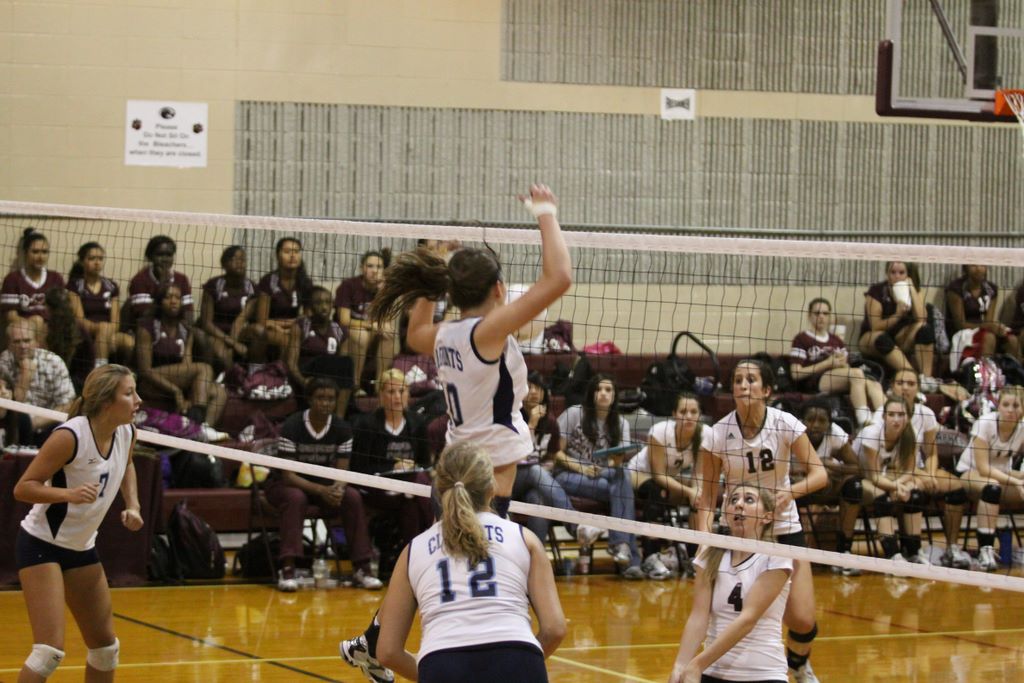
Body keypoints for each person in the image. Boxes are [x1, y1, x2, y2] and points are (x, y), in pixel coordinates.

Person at [342, 184, 570, 682]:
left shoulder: (444, 335)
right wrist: (546, 213)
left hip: (458, 464)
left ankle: (374, 639)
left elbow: (413, 333)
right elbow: (559, 278)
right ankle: (481, 646)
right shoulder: (486, 331)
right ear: (497, 291)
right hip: (490, 467)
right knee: (478, 564)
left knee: (446, 554)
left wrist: (434, 272)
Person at [375, 440, 566, 683]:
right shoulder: (525, 539)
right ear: (492, 488)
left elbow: (388, 652)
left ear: (439, 489)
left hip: (443, 663)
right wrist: (524, 660)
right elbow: (555, 629)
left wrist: (433, 674)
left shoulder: (413, 551)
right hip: (518, 658)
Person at [695, 359, 826, 683]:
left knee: (802, 620)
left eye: (751, 379)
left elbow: (819, 474)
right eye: (738, 380)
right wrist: (704, 540)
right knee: (732, 611)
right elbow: (707, 498)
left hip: (782, 528)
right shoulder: (717, 434)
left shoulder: (784, 423)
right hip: (740, 532)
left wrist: (790, 492)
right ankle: (724, 669)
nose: (743, 385)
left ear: (766, 390)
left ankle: (798, 664)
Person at [12, 364, 143, 683]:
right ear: (106, 402)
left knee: (106, 649)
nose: (138, 400)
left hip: (81, 548)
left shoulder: (127, 432)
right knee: (48, 653)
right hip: (41, 544)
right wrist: (68, 494)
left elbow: (127, 464)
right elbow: (23, 488)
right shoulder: (70, 436)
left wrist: (133, 505)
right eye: (129, 393)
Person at [267, 377, 383, 592]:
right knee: (295, 498)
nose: (325, 403)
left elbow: (342, 471)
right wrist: (322, 490)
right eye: (320, 398)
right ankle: (288, 568)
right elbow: (288, 476)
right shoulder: (292, 426)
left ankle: (362, 568)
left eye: (330, 399)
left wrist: (337, 489)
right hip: (286, 485)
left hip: (323, 485)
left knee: (352, 497)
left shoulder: (342, 428)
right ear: (310, 400)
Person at [669, 485, 792, 683]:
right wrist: (680, 665)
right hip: (713, 671)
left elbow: (748, 619)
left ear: (767, 517)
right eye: (733, 500)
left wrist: (697, 664)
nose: (739, 505)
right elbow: (698, 616)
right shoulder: (710, 555)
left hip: (763, 674)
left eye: (749, 500)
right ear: (726, 515)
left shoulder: (776, 557)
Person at [555, 373, 645, 578]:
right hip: (568, 475)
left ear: (614, 395)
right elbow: (555, 453)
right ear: (591, 393)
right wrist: (581, 468)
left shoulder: (621, 424)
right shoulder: (574, 414)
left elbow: (615, 464)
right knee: (623, 491)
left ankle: (622, 548)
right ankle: (628, 555)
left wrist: (614, 462)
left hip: (601, 476)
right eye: (598, 389)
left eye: (608, 390)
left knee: (621, 479)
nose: (603, 393)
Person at [512, 372, 602, 571]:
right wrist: (532, 425)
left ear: (545, 393)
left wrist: (545, 470)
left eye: (538, 388)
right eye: (529, 387)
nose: (534, 392)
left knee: (538, 501)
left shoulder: (551, 423)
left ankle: (534, 565)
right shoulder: (513, 419)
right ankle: (576, 526)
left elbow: (552, 457)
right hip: (509, 481)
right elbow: (516, 455)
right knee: (534, 470)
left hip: (534, 483)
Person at [349, 369, 434, 546]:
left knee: (411, 501)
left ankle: (413, 552)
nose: (397, 396)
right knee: (413, 494)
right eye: (390, 391)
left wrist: (412, 466)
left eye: (401, 391)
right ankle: (435, 536)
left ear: (408, 394)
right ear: (381, 395)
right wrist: (392, 468)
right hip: (377, 488)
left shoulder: (417, 423)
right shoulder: (367, 425)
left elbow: (425, 463)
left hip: (409, 488)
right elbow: (358, 468)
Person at [135, 284, 226, 440]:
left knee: (219, 392)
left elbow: (186, 366)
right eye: (168, 297)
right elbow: (145, 370)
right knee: (204, 369)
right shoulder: (147, 327)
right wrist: (176, 391)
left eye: (177, 297)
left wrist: (190, 396)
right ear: (159, 301)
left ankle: (203, 430)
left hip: (177, 378)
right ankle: (195, 426)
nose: (174, 301)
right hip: (151, 381)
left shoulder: (185, 330)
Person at [628, 391, 702, 579]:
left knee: (700, 497)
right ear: (674, 414)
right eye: (683, 411)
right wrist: (689, 491)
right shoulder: (660, 431)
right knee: (656, 491)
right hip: (639, 473)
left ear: (699, 415)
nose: (689, 416)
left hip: (669, 479)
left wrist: (696, 492)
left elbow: (699, 476)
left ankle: (694, 557)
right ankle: (650, 556)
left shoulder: (704, 435)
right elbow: (659, 475)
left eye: (694, 412)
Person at [951, 385, 1024, 571]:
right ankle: (986, 551)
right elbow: (983, 469)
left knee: (995, 485)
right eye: (1005, 405)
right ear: (998, 406)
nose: (1010, 410)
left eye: (1016, 405)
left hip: (1001, 474)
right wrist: (1017, 481)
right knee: (992, 487)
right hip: (970, 472)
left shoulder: (1022, 428)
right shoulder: (985, 423)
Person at [853, 396, 932, 564]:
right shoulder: (872, 434)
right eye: (891, 414)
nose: (896, 419)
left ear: (908, 417)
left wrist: (901, 486)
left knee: (914, 494)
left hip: (887, 475)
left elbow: (909, 471)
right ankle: (893, 555)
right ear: (883, 417)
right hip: (858, 476)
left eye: (901, 415)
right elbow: (874, 476)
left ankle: (914, 552)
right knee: (883, 498)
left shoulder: (912, 434)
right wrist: (896, 487)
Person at [789, 297, 884, 427]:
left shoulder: (836, 340)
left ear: (830, 317)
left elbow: (847, 368)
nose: (821, 317)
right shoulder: (802, 339)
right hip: (815, 380)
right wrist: (828, 363)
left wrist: (842, 363)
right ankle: (864, 421)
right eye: (817, 313)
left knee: (874, 384)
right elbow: (796, 373)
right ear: (809, 316)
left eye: (825, 313)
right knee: (856, 374)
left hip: (839, 376)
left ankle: (881, 420)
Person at [795, 398, 864, 576]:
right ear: (802, 421)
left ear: (829, 423)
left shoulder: (835, 433)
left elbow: (858, 468)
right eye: (811, 419)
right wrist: (813, 470)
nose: (816, 425)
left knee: (854, 486)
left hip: (826, 488)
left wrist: (831, 465)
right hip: (798, 490)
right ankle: (792, 549)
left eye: (822, 420)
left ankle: (843, 552)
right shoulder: (793, 433)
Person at [858, 261, 938, 391]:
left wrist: (911, 288)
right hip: (871, 338)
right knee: (882, 339)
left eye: (901, 273)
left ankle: (926, 378)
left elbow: (922, 318)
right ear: (887, 274)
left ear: (908, 275)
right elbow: (875, 326)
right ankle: (913, 378)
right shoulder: (877, 291)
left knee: (925, 329)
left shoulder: (914, 289)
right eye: (893, 272)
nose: (897, 276)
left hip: (900, 337)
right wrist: (897, 315)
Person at [0, 318, 76, 434]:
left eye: (27, 341)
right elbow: (9, 408)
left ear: (37, 342)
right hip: (16, 427)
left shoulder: (53, 362)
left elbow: (68, 404)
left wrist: (35, 423)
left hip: (50, 425)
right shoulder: (4, 362)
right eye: (17, 342)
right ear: (9, 345)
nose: (23, 346)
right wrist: (25, 375)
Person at [285, 286, 353, 415]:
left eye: (327, 302)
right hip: (307, 376)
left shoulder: (340, 330)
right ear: (310, 307)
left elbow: (343, 364)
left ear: (332, 305)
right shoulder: (301, 325)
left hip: (330, 379)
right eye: (319, 303)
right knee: (324, 361)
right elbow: (291, 363)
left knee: (346, 362)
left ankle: (338, 418)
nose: (324, 307)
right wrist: (303, 381)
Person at [66, 242, 134, 366]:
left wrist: (105, 331)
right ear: (82, 261)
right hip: (85, 333)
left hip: (108, 333)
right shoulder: (75, 286)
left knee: (129, 342)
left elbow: (116, 322)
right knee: (103, 329)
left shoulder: (111, 286)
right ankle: (100, 370)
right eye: (92, 258)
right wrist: (99, 328)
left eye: (100, 259)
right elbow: (80, 320)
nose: (97, 263)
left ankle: (122, 373)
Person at [336, 250, 394, 395]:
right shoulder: (348, 286)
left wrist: (383, 293)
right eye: (370, 266)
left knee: (388, 332)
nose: (375, 271)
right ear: (362, 268)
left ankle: (380, 386)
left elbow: (386, 320)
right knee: (361, 335)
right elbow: (344, 320)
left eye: (379, 267)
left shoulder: (384, 289)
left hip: (370, 332)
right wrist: (370, 325)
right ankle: (355, 385)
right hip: (346, 332)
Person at [199, 245, 259, 372]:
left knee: (257, 333)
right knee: (222, 355)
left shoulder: (252, 287)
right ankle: (232, 379)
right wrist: (233, 344)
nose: (239, 263)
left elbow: (240, 321)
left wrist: (234, 344)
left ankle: (254, 376)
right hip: (216, 332)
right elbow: (206, 324)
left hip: (241, 331)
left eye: (242, 259)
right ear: (224, 264)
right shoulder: (213, 285)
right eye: (234, 259)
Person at [2, 229, 65, 343]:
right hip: (22, 331)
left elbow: (62, 311)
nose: (40, 257)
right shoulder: (13, 279)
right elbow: (11, 316)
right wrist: (32, 327)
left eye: (44, 252)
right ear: (25, 253)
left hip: (52, 328)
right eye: (35, 252)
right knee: (37, 320)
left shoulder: (56, 278)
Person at [946, 264, 1019, 362]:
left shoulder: (991, 289)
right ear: (965, 268)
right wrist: (988, 326)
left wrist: (996, 328)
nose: (978, 269)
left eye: (982, 265)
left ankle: (1012, 370)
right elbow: (960, 325)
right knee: (989, 337)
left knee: (1012, 339)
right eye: (973, 265)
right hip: (963, 332)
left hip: (983, 329)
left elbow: (989, 320)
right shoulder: (956, 289)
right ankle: (985, 370)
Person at [256, 236, 313, 358]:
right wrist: (289, 324)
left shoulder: (305, 283)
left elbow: (307, 318)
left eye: (296, 251)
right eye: (287, 252)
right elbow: (262, 321)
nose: (292, 255)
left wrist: (284, 325)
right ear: (278, 256)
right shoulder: (268, 281)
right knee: (286, 341)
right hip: (268, 330)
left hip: (293, 329)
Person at [127, 235, 195, 325]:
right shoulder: (140, 280)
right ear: (150, 256)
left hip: (175, 327)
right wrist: (162, 289)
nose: (165, 259)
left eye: (169, 255)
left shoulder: (182, 279)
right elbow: (143, 316)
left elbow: (189, 315)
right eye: (160, 254)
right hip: (148, 328)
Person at [44, 288, 94, 389]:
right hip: (79, 379)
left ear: (49, 308)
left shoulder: (77, 330)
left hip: (78, 381)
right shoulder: (54, 327)